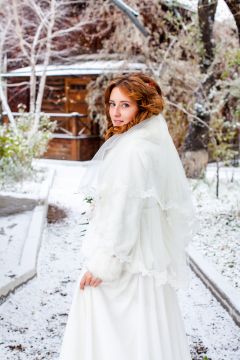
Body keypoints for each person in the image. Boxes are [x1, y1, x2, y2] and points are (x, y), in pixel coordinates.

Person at [59, 73, 196, 360]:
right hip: (145, 257)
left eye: (125, 105)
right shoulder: (148, 143)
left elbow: (125, 211)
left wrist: (103, 266)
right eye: (112, 104)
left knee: (112, 333)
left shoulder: (133, 150)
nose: (116, 113)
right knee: (144, 333)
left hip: (128, 261)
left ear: (142, 108)